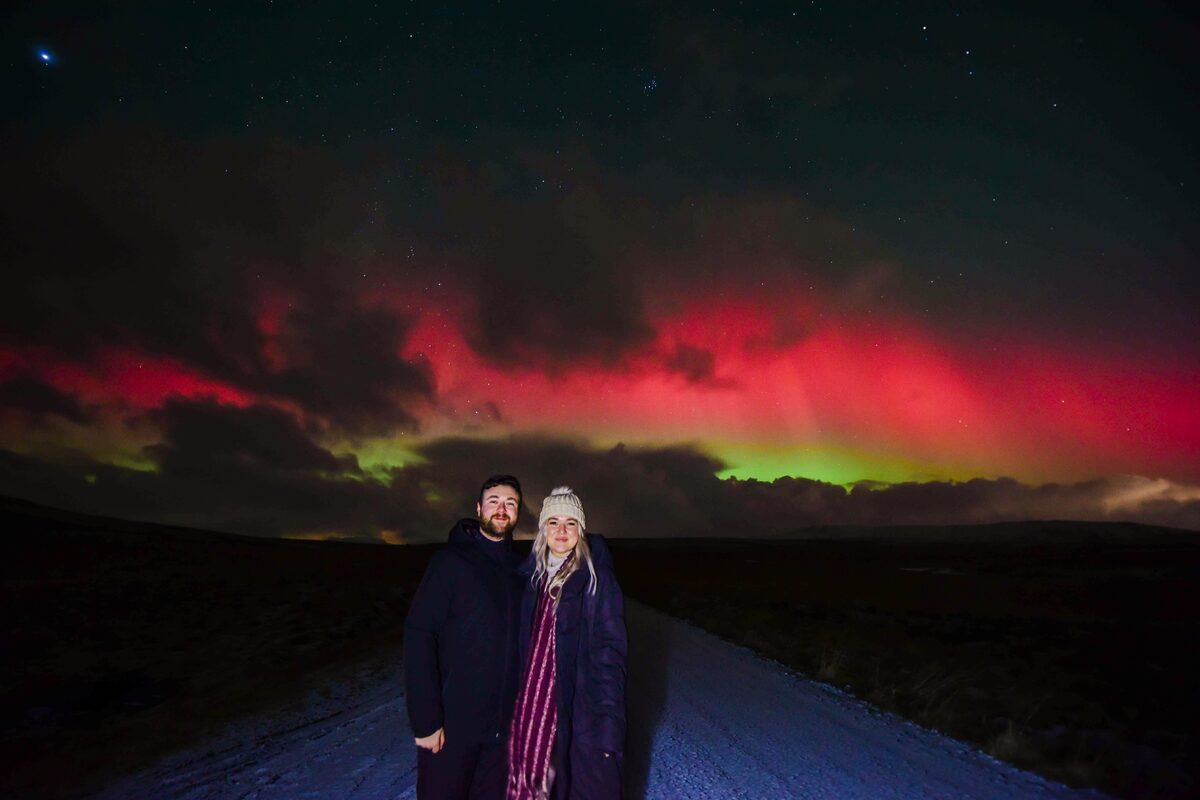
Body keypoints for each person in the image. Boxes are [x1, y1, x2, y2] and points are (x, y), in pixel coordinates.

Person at [405, 474, 526, 799]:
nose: (502, 509)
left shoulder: (521, 573)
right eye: (494, 501)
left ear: (518, 513)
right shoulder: (450, 563)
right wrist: (426, 721)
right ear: (478, 508)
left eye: (510, 503)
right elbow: (419, 636)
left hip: (502, 734)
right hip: (452, 729)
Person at [507, 487, 628, 800]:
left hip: (576, 711)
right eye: (553, 522)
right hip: (529, 713)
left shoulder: (596, 580)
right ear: (543, 528)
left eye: (570, 523)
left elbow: (609, 656)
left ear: (581, 530)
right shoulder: (528, 579)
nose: (561, 530)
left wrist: (607, 727)